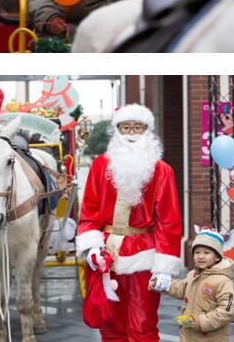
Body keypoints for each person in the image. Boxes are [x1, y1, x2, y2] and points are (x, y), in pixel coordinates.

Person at [75, 103, 182, 341]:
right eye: (126, 128)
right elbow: (89, 210)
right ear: (118, 131)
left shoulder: (162, 171)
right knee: (110, 322)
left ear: (147, 132)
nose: (132, 134)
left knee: (144, 321)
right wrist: (92, 246)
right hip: (107, 253)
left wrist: (164, 267)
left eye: (138, 128)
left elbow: (169, 221)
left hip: (144, 252)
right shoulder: (100, 166)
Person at [149, 227, 234, 341]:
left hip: (210, 338)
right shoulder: (192, 275)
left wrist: (199, 321)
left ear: (217, 257)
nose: (200, 256)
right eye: (197, 252)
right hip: (188, 334)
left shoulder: (223, 281)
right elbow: (181, 288)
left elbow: (227, 309)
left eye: (206, 253)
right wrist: (162, 285)